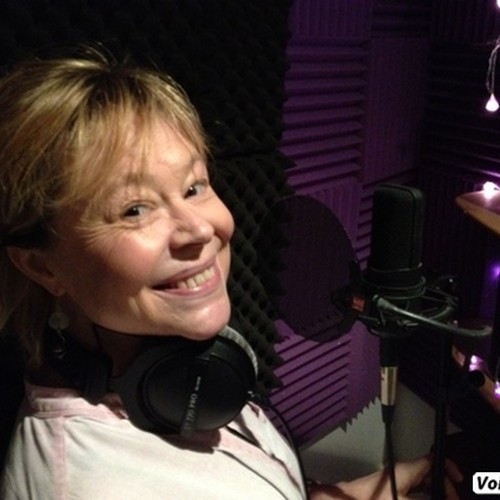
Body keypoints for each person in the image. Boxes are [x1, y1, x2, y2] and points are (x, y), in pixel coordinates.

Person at [0, 47, 461, 499]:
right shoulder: (93, 486)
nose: (202, 228)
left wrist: (362, 492)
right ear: (42, 266)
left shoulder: (174, 365)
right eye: (134, 209)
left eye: (193, 186)